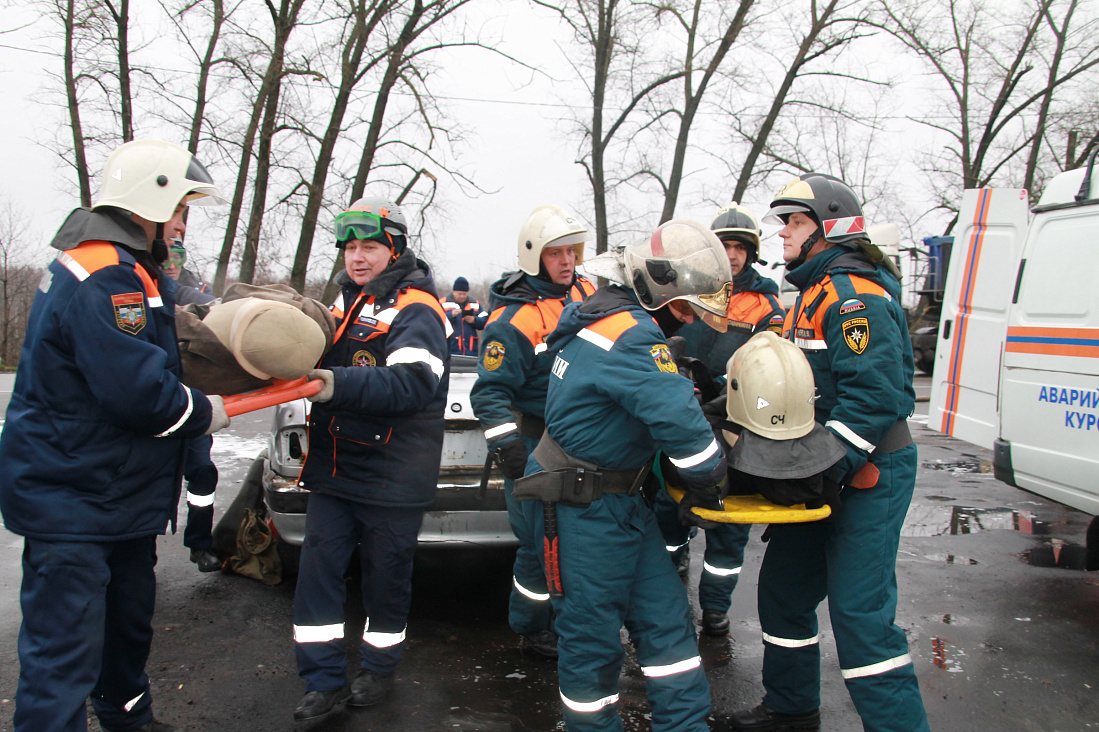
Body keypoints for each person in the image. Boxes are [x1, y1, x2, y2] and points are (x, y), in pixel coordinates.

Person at [0, 138, 230, 732]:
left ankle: (129, 719)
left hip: (112, 497)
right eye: (180, 209)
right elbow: (140, 395)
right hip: (75, 499)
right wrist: (208, 410)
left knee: (125, 630)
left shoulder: (131, 269)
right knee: (63, 654)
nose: (182, 224)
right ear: (148, 203)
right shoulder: (107, 276)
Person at [726, 174, 929, 732]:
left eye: (794, 222)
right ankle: (791, 709)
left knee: (861, 618)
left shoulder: (853, 296)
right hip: (821, 472)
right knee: (786, 591)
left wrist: (825, 469)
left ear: (830, 228)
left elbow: (876, 396)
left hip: (866, 472)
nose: (783, 234)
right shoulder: (811, 294)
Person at [515, 219, 733, 732]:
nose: (685, 320)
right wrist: (715, 484)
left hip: (618, 501)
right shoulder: (633, 336)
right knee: (591, 648)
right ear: (658, 290)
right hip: (583, 511)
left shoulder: (600, 317)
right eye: (682, 308)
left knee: (667, 628)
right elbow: (690, 440)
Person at [290, 196, 451, 721]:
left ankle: (379, 669)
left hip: (392, 477)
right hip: (336, 472)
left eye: (369, 247)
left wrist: (334, 383)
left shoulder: (417, 308)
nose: (357, 258)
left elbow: (411, 384)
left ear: (395, 249)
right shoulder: (346, 301)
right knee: (317, 573)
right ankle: (322, 681)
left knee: (385, 581)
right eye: (350, 248)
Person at [653, 202, 785, 637]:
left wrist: (729, 383)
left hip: (735, 423)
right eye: (724, 246)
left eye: (739, 247)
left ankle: (714, 607)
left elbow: (771, 360)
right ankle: (670, 579)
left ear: (751, 253)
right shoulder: (690, 290)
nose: (731, 254)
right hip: (682, 416)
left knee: (730, 525)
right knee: (668, 509)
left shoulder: (765, 305)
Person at [469, 203, 596, 658]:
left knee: (574, 539)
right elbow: (489, 393)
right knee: (538, 543)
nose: (566, 261)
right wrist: (509, 447)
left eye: (571, 251)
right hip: (534, 442)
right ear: (533, 257)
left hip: (580, 440)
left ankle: (569, 622)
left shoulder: (585, 292)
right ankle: (530, 627)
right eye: (555, 253)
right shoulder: (514, 319)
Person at [161, 238, 221, 572]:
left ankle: (200, 545)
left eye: (179, 255)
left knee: (203, 473)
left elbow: (206, 303)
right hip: (154, 402)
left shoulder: (194, 287)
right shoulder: (141, 284)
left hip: (191, 402)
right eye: (167, 255)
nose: (173, 262)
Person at [440, 276, 488, 355]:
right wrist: (450, 315)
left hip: (471, 350)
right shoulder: (443, 303)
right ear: (454, 292)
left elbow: (485, 321)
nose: (462, 296)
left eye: (464, 294)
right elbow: (436, 320)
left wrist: (474, 320)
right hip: (450, 350)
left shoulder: (475, 304)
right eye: (459, 294)